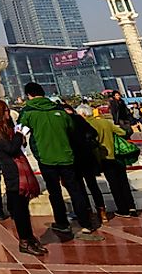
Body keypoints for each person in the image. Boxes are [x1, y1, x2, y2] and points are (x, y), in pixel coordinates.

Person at [17, 82, 102, 240]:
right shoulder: (59, 110)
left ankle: (62, 223)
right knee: (75, 190)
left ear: (28, 95)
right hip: (66, 155)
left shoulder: (28, 112)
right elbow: (71, 128)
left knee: (54, 192)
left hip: (46, 157)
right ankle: (86, 223)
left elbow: (20, 131)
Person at [0, 100, 46, 257]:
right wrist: (19, 135)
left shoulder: (3, 129)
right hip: (12, 174)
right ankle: (24, 241)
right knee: (20, 210)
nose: (8, 114)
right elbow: (10, 148)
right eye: (5, 111)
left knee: (23, 208)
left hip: (18, 170)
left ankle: (29, 238)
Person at [86, 111, 138, 217]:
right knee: (124, 182)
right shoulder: (106, 122)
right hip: (116, 156)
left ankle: (122, 209)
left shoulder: (86, 125)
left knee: (114, 185)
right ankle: (132, 207)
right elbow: (122, 133)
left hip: (103, 158)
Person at [64, 104, 106, 223]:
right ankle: (101, 211)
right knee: (93, 185)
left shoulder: (65, 122)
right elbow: (93, 133)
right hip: (87, 156)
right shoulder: (80, 119)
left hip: (74, 158)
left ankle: (87, 211)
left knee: (80, 187)